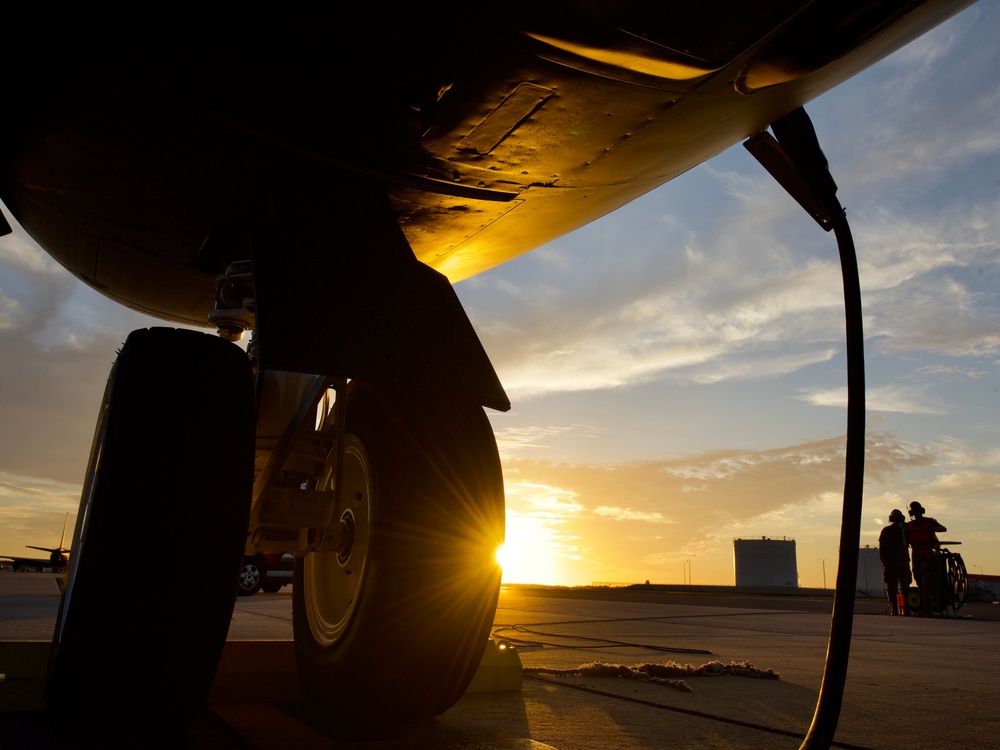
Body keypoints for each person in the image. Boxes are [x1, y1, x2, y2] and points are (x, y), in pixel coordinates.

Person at [906, 501, 947, 615]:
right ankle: (926, 607)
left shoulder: (929, 521)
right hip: (916, 555)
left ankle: (928, 608)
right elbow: (905, 539)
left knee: (927, 582)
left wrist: (930, 529)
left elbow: (943, 528)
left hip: (927, 555)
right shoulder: (908, 525)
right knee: (919, 580)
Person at [878, 509, 911, 615]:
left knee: (903, 587)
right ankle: (896, 608)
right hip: (893, 562)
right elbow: (882, 548)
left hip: (901, 561)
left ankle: (902, 608)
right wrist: (885, 561)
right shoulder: (888, 530)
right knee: (893, 587)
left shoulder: (905, 529)